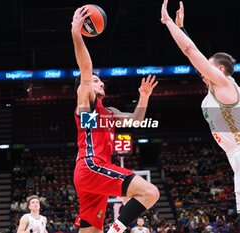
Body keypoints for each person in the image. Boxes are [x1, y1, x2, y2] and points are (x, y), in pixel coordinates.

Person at [161, 1, 240, 232]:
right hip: (239, 159)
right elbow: (194, 56)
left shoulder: (225, 85)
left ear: (220, 70)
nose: (201, 69)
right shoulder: (215, 89)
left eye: (208, 66)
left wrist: (168, 24)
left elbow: (191, 51)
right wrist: (182, 29)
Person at [71, 6, 160, 233]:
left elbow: (136, 121)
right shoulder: (86, 103)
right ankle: (117, 230)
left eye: (100, 80)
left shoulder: (107, 112)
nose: (100, 82)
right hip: (92, 166)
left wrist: (144, 97)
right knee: (150, 192)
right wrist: (76, 34)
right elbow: (85, 69)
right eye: (95, 80)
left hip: (91, 175)